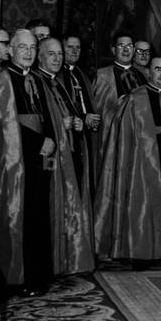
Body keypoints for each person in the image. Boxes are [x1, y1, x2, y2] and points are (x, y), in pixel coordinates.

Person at [0, 30, 57, 294]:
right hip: (13, 161)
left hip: (39, 159)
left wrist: (50, 140)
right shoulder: (1, 80)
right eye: (22, 47)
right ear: (10, 49)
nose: (28, 52)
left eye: (33, 47)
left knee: (37, 217)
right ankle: (16, 278)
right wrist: (39, 142)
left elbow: (48, 118)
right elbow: (4, 126)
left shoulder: (37, 79)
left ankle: (36, 277)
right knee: (16, 217)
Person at [96, 57, 161, 265]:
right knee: (146, 206)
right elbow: (123, 138)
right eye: (157, 69)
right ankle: (145, 254)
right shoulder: (135, 99)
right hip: (145, 162)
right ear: (148, 72)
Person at [34, 38, 96, 276]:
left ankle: (70, 258)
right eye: (52, 54)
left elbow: (69, 111)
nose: (57, 58)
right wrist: (62, 124)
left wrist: (77, 121)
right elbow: (39, 121)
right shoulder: (37, 81)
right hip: (50, 157)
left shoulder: (58, 82)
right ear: (40, 56)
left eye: (60, 54)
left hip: (71, 151)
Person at [59, 34, 101, 200]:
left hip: (87, 135)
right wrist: (84, 118)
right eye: (70, 47)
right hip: (70, 134)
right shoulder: (59, 75)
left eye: (78, 48)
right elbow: (62, 106)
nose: (74, 51)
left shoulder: (82, 74)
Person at [93, 32, 147, 133]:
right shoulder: (103, 76)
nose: (126, 49)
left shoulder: (142, 76)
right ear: (113, 50)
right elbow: (98, 111)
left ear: (134, 50)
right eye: (121, 46)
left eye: (129, 46)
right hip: (114, 134)